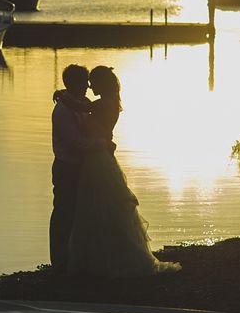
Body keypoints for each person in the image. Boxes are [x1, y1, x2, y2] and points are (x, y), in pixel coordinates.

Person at [59, 65, 181, 277]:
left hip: (99, 161)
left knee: (104, 208)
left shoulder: (104, 104)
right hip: (95, 159)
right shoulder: (105, 103)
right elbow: (82, 106)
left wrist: (60, 94)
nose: (89, 85)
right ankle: (98, 256)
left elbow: (77, 106)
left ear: (102, 84)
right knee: (94, 208)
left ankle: (112, 257)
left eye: (93, 81)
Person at [50, 64, 114, 274]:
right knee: (63, 212)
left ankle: (76, 258)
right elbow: (75, 142)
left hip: (86, 168)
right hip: (67, 167)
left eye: (89, 81)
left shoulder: (86, 104)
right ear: (75, 83)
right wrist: (102, 144)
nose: (88, 86)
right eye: (84, 81)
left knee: (82, 213)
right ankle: (59, 261)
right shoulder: (62, 110)